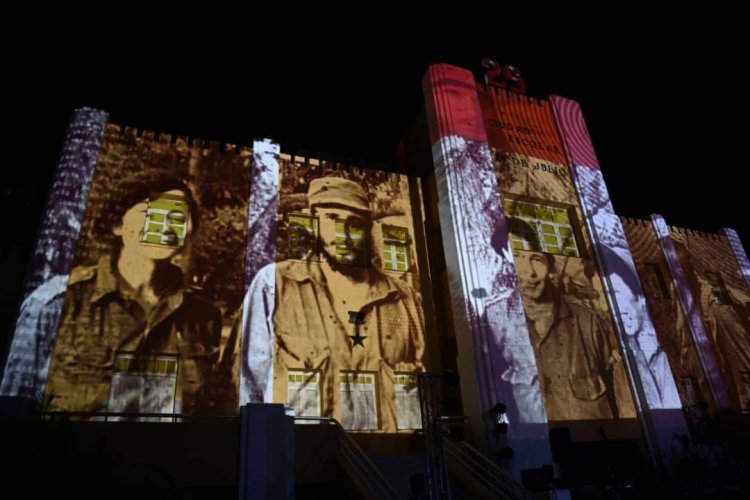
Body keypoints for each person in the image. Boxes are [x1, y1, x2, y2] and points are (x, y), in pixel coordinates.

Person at [241, 176, 425, 431]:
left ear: (368, 230)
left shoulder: (404, 298)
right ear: (314, 221)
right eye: (331, 219)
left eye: (355, 224)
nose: (343, 234)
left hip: (383, 456)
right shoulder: (274, 284)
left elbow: (425, 389)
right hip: (304, 454)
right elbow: (250, 384)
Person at [44, 170, 233, 416]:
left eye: (177, 217)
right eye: (150, 214)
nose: (164, 227)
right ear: (117, 225)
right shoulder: (61, 300)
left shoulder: (203, 316)